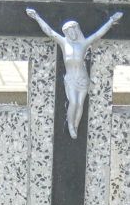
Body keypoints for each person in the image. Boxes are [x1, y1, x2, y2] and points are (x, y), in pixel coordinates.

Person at [26, 8, 123, 138]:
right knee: (73, 102)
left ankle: (76, 125)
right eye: (69, 31)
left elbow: (98, 34)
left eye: (74, 30)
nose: (72, 33)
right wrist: (37, 17)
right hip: (71, 79)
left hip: (82, 79)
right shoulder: (63, 42)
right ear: (66, 33)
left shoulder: (83, 44)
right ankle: (71, 126)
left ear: (77, 30)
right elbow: (49, 31)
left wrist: (111, 20)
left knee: (80, 104)